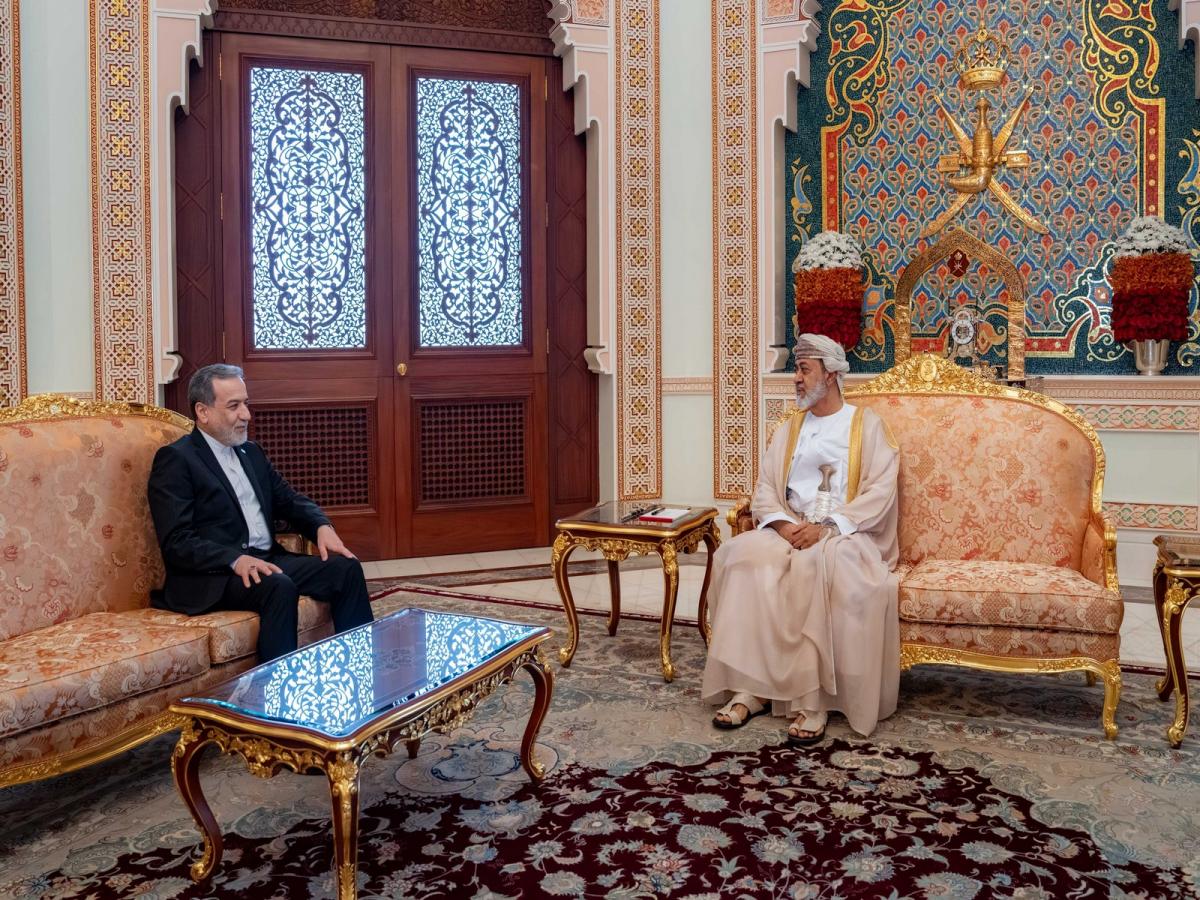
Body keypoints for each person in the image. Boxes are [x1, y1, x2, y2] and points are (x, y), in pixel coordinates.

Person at [701, 333, 900, 745]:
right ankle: (751, 688)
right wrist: (782, 525)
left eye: (804, 369)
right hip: (790, 528)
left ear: (830, 374)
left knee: (816, 567)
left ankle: (814, 701)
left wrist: (827, 528)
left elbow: (880, 490)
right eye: (796, 369)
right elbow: (765, 489)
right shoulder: (790, 429)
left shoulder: (867, 425)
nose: (796, 378)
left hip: (843, 533)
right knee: (741, 558)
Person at [147, 363, 374, 661]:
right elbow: (177, 541)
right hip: (215, 576)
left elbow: (288, 500)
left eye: (246, 403)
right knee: (277, 586)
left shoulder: (251, 452)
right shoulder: (177, 459)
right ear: (203, 412)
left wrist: (320, 525)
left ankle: (361, 665)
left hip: (267, 560)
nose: (246, 415)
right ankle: (276, 686)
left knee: (346, 570)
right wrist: (234, 559)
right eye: (234, 406)